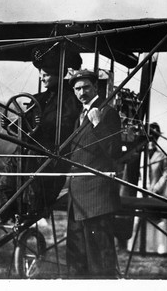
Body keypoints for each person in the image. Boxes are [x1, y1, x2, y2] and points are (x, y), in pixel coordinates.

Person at [0, 43, 81, 218]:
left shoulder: (71, 99)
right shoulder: (38, 98)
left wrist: (41, 127)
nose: (41, 78)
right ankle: (5, 208)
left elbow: (65, 127)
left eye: (46, 74)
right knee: (12, 162)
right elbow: (24, 126)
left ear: (58, 75)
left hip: (53, 155)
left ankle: (32, 207)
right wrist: (10, 126)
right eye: (40, 74)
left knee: (32, 161)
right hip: (32, 151)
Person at [66, 69, 122, 278]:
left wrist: (98, 123)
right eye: (77, 89)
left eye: (86, 87)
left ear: (96, 87)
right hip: (77, 199)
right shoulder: (79, 116)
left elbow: (114, 151)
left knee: (100, 263)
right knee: (77, 262)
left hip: (97, 199)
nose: (82, 92)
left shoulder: (107, 113)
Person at [128, 122, 167, 255]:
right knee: (137, 218)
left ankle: (161, 249)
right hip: (141, 190)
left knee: (158, 220)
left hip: (156, 192)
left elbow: (166, 174)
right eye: (150, 137)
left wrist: (156, 188)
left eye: (155, 138)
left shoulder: (162, 156)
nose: (152, 141)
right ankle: (135, 248)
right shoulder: (140, 155)